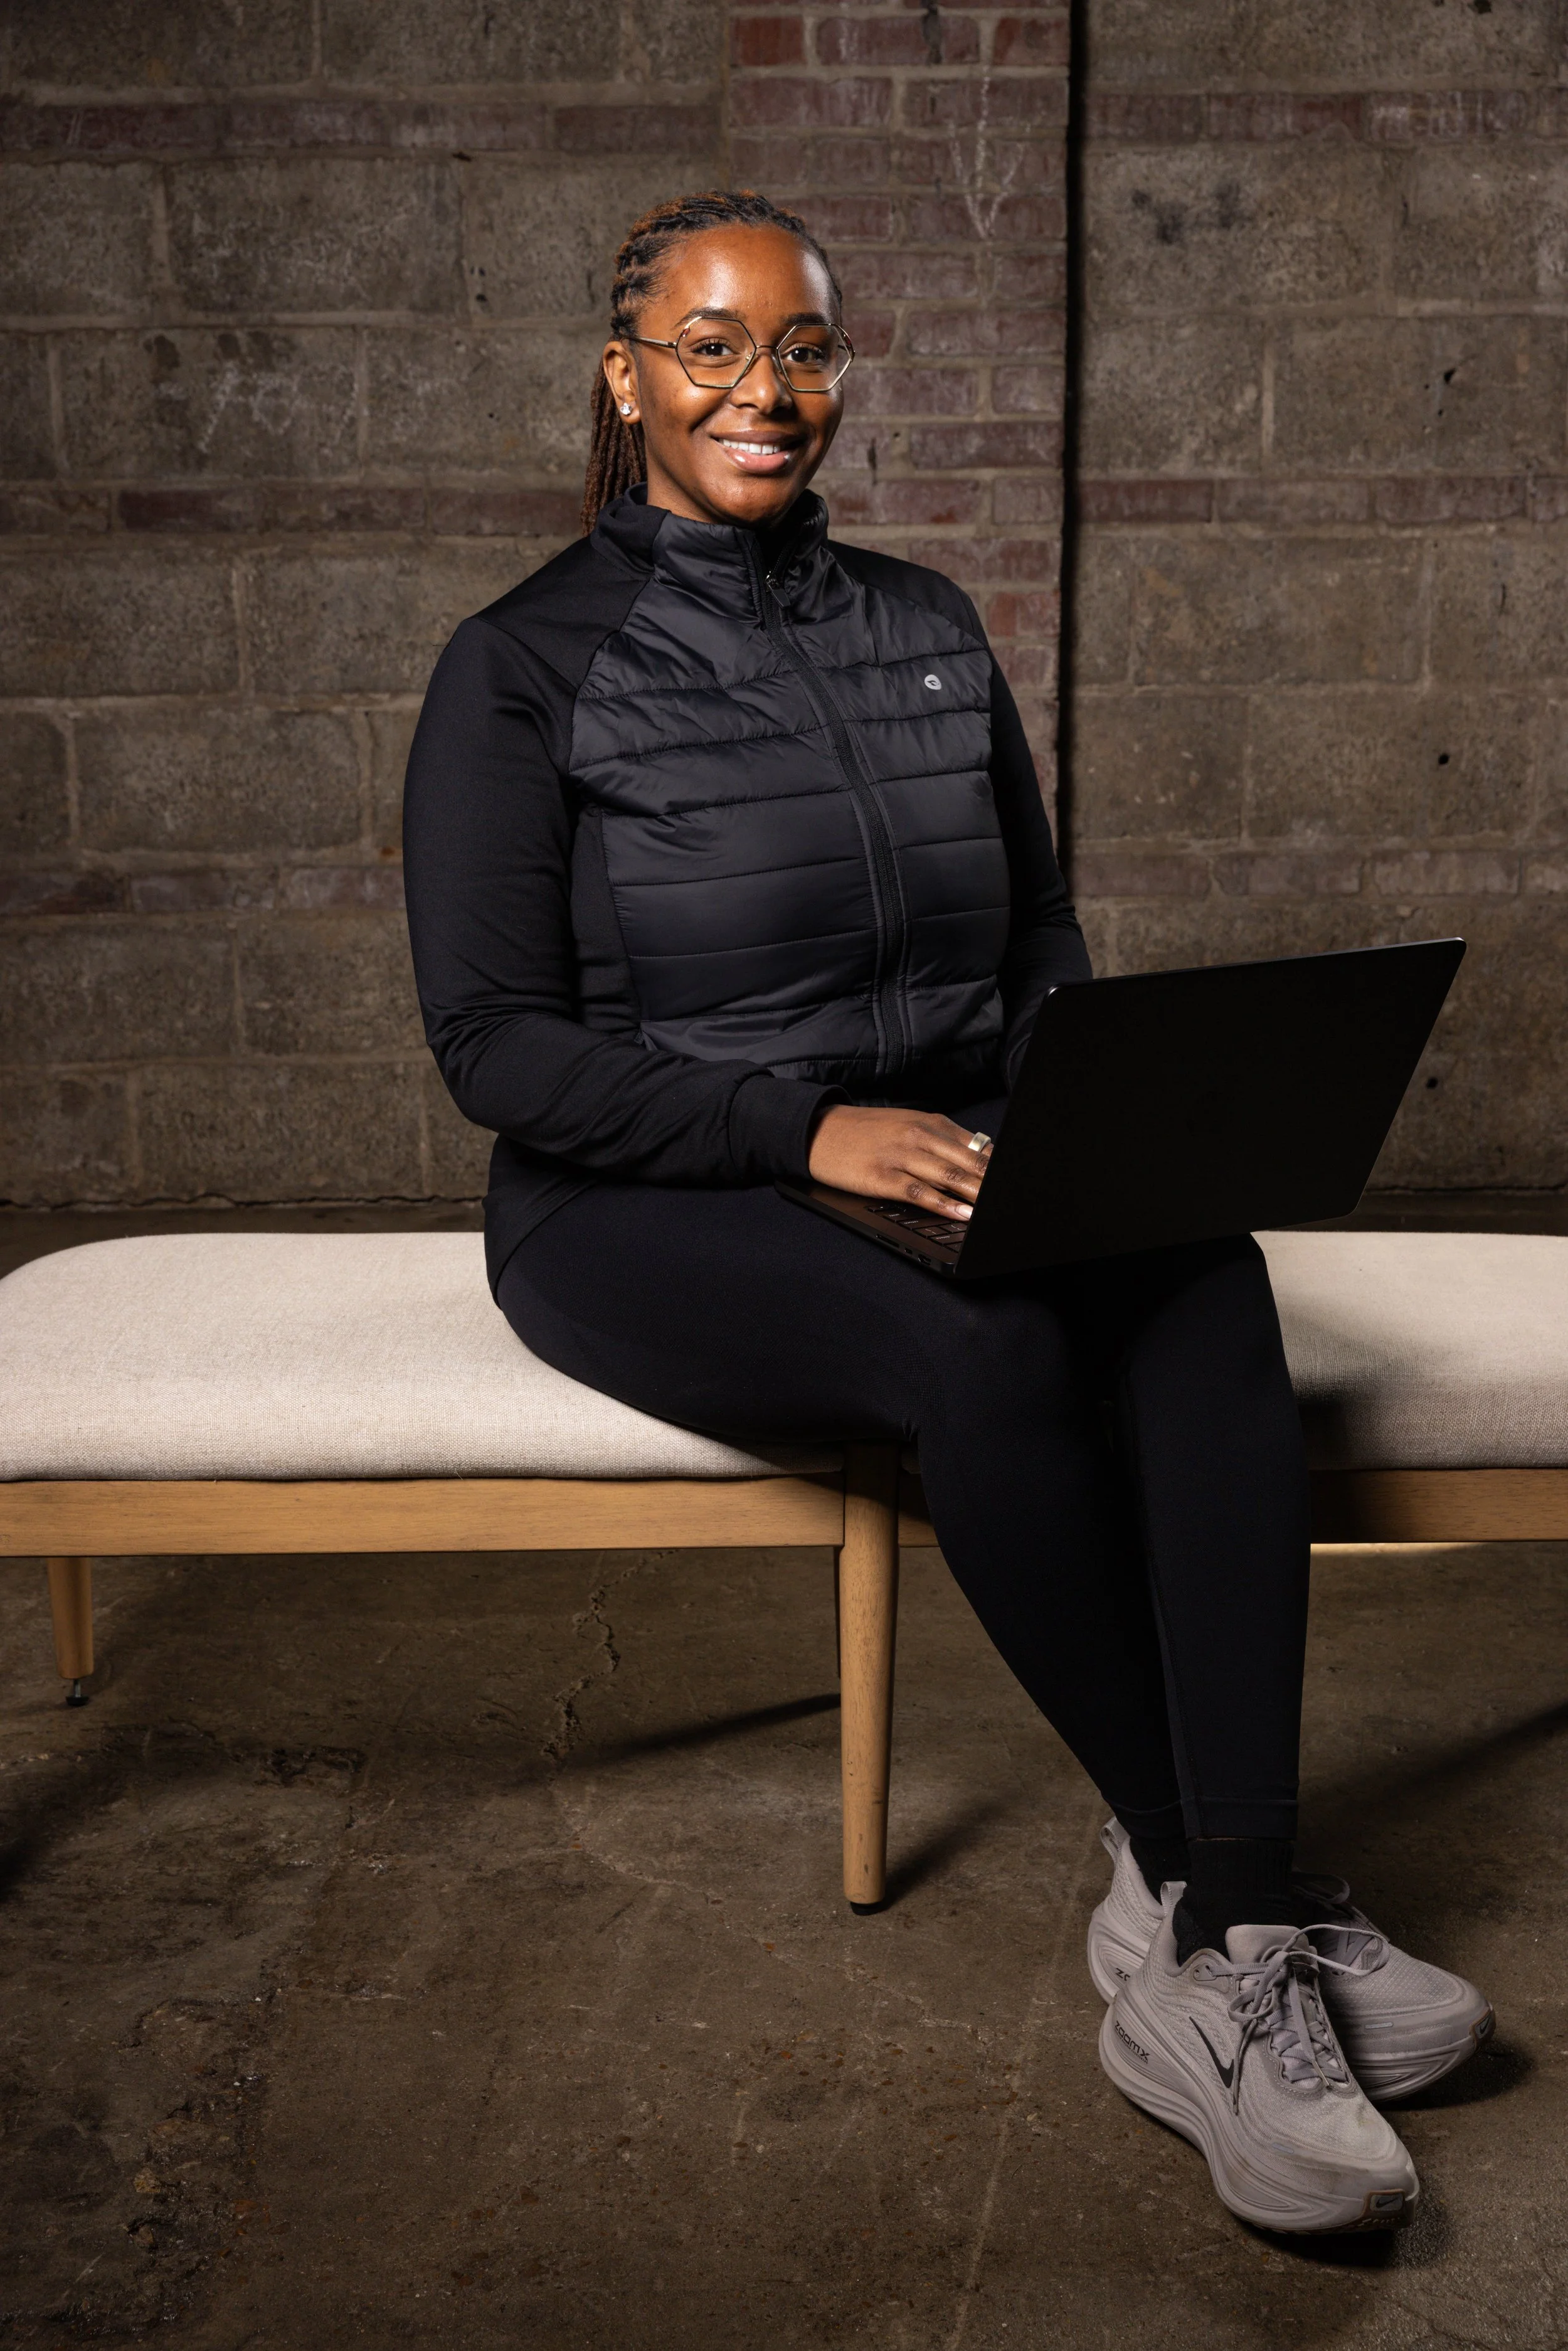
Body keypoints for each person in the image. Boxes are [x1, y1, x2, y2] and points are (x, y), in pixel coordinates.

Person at [403, 188, 1491, 2234]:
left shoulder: (923, 621)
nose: (764, 387)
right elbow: (493, 1046)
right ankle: (1209, 1912)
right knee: (982, 1351)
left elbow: (1036, 924)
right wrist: (800, 1126)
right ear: (624, 376)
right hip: (631, 1201)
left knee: (1200, 1273)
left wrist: (1085, 1112)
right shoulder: (522, 664)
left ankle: (1233, 1912)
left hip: (946, 1146)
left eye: (803, 346)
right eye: (711, 345)